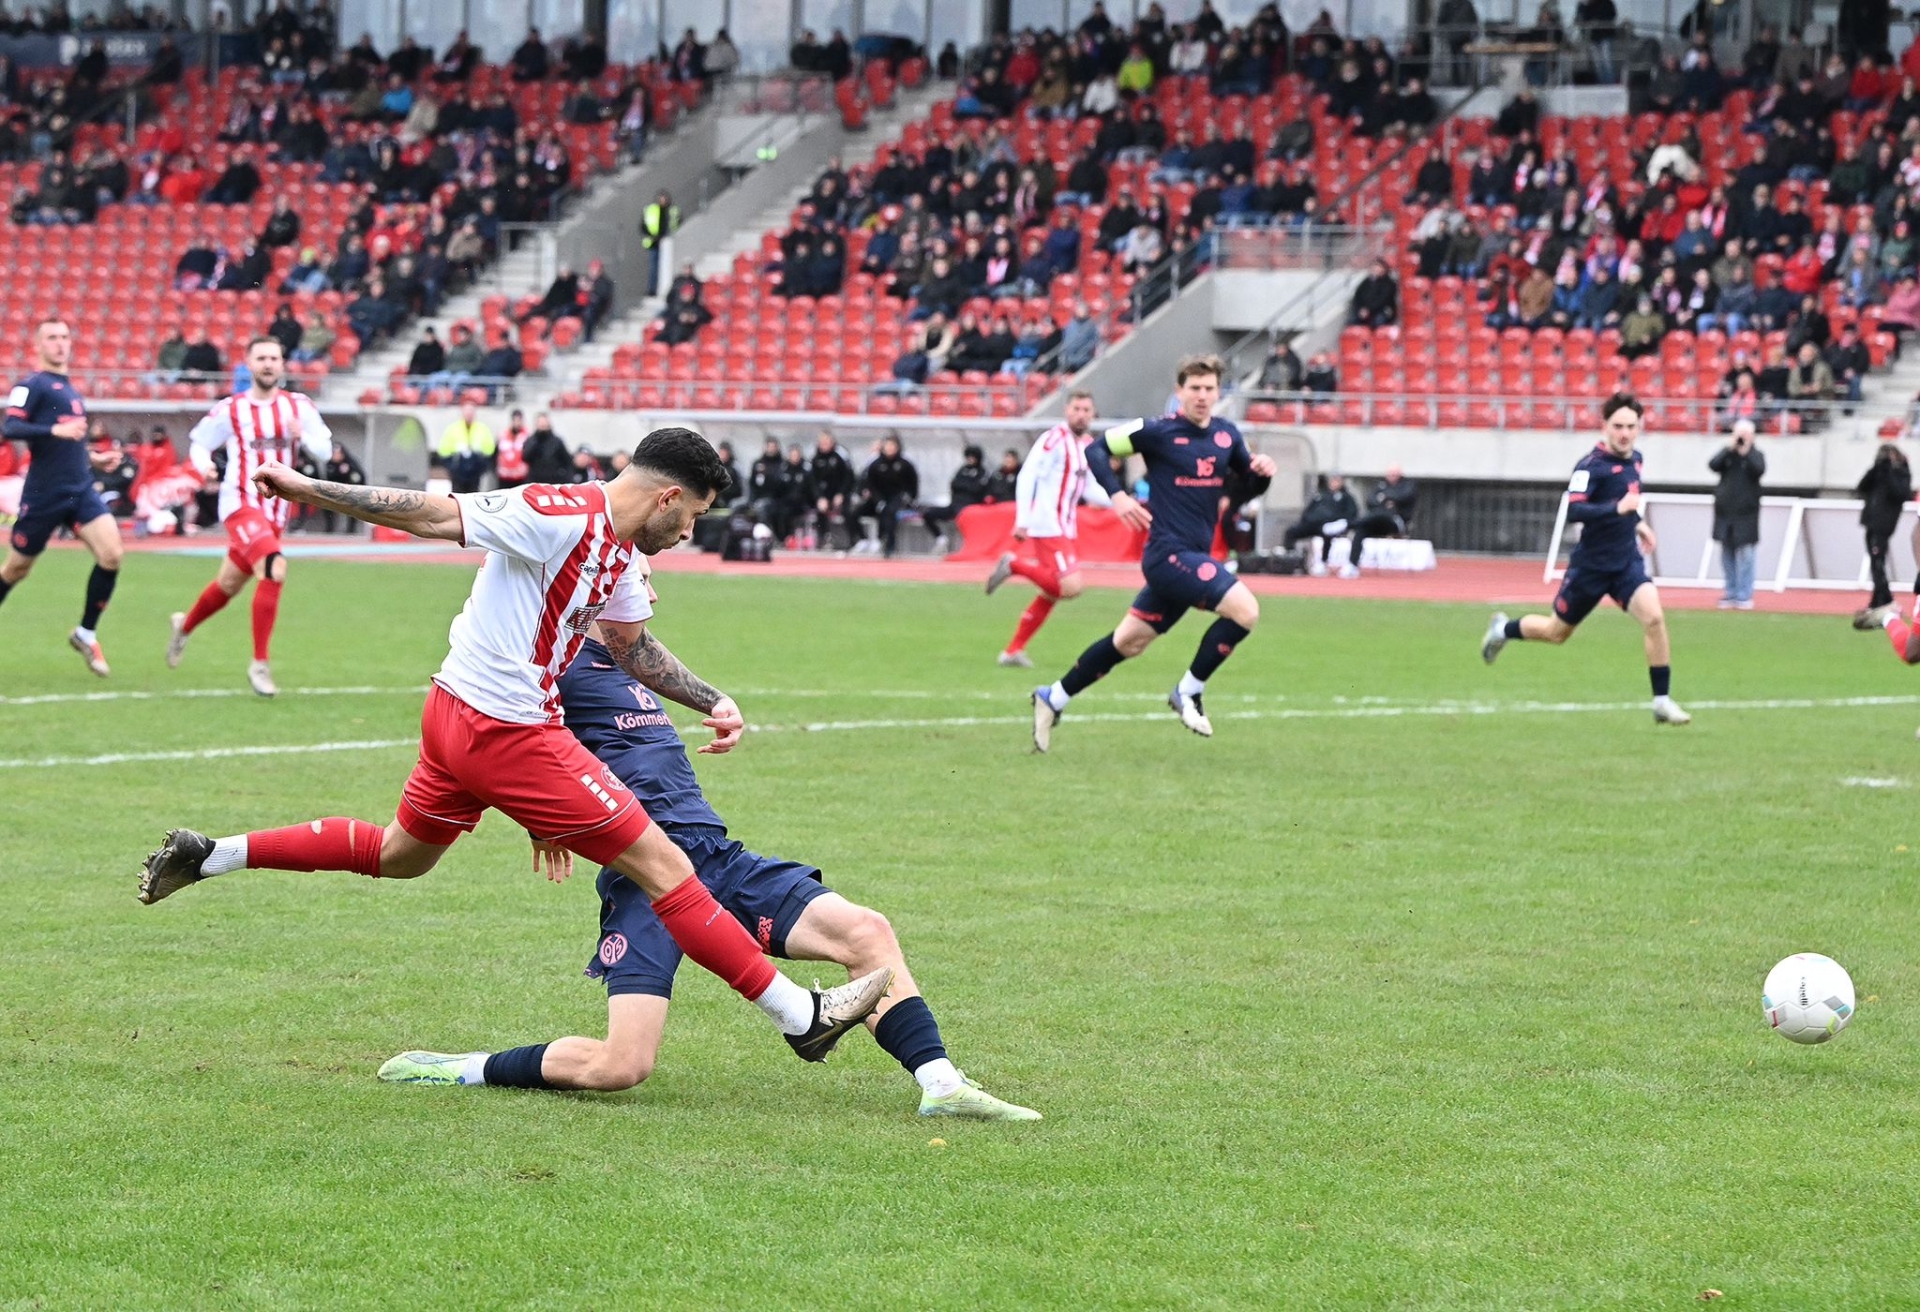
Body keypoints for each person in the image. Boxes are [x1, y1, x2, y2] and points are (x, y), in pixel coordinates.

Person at [136, 429, 895, 1066]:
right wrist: (309, 489)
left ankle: (213, 855)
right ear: (668, 497)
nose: (691, 532)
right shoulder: (557, 512)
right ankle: (799, 1015)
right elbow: (434, 515)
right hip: (506, 729)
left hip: (455, 716)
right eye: (693, 516)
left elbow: (631, 646)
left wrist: (712, 699)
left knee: (401, 854)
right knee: (668, 865)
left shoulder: (624, 555)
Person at [378, 607, 1039, 1121]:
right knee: (622, 1066)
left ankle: (942, 1085)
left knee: (867, 932)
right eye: (637, 583)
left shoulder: (629, 662)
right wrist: (537, 822)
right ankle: (459, 1067)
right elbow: (500, 745)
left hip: (718, 858)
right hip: (644, 878)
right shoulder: (551, 661)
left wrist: (717, 704)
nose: (649, 593)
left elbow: (652, 668)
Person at [1031, 355, 1277, 750]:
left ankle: (1053, 697)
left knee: (1128, 642)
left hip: (1192, 557)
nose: (1201, 396)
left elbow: (1244, 489)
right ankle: (1189, 691)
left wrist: (1261, 474)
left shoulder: (1227, 435)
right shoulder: (1156, 431)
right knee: (1246, 611)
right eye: (1194, 388)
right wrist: (1117, 496)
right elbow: (1096, 451)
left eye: (1209, 388)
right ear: (1179, 391)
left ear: (1218, 392)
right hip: (1167, 555)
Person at [1481, 393, 1690, 725]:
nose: (1624, 433)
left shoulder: (1637, 459)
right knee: (1555, 632)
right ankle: (1502, 629)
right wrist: (1617, 509)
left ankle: (1661, 702)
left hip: (1626, 563)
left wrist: (1638, 524)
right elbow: (1575, 510)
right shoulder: (1590, 466)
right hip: (1590, 567)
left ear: (1639, 428)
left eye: (1631, 427)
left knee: (1654, 619)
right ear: (1604, 426)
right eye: (1618, 426)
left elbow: (1624, 502)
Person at [166, 338, 333, 698]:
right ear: (248, 364)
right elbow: (199, 442)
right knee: (274, 567)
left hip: (276, 511)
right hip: (240, 503)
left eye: (274, 357)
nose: (268, 364)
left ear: (283, 364)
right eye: (261, 358)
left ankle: (184, 626)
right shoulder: (232, 408)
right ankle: (259, 663)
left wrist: (302, 436)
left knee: (228, 584)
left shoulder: (298, 406)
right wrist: (203, 465)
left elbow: (325, 449)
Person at [0, 319, 121, 677]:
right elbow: (10, 426)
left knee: (112, 555)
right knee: (16, 569)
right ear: (38, 345)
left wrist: (93, 459)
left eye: (65, 337)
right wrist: (55, 429)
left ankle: (86, 633)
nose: (60, 343)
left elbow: (69, 442)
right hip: (44, 493)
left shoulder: (71, 390)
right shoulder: (32, 385)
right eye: (52, 337)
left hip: (80, 488)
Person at [985, 391, 1108, 667]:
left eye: (1086, 410)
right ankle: (1014, 565)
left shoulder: (1087, 445)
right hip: (1048, 523)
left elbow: (1089, 488)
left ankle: (1013, 651)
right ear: (1066, 410)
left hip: (1065, 525)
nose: (1081, 414)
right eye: (1076, 408)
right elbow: (1028, 475)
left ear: (1093, 414)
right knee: (1071, 587)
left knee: (1053, 591)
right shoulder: (1054, 439)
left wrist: (1122, 502)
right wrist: (1023, 519)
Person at [1854, 437, 1911, 629]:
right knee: (1875, 562)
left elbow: (1900, 494)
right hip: (1871, 522)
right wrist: (1877, 468)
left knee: (1878, 562)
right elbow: (1861, 487)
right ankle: (1877, 601)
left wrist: (1889, 472)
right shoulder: (1877, 472)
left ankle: (1886, 600)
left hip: (1884, 524)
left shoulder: (1901, 473)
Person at [1707, 421, 1765, 610]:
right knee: (1727, 554)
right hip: (1725, 514)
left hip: (1746, 515)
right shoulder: (1728, 455)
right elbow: (1713, 465)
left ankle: (1744, 594)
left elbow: (1759, 469)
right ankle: (1730, 592)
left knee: (1746, 555)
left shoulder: (1756, 455)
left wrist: (1746, 452)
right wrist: (1729, 448)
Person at [1346, 466, 1420, 576]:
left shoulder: (1407, 485)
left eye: (1395, 474)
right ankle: (1352, 565)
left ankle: (1347, 524)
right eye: (1390, 474)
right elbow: (1370, 501)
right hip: (1376, 524)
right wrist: (1387, 501)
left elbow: (1404, 497)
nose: (1392, 476)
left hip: (1395, 523)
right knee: (1361, 530)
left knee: (1381, 514)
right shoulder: (1380, 484)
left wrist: (1384, 497)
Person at [1281, 474, 1360, 575]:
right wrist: (1306, 520)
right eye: (1332, 480)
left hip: (1330, 525)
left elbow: (1351, 514)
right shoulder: (1320, 495)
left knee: (1327, 534)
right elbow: (1308, 511)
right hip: (1313, 524)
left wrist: (1338, 522)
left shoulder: (1346, 497)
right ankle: (1291, 559)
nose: (1334, 483)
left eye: (1337, 481)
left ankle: (1323, 562)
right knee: (1291, 532)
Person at [855, 436, 918, 557]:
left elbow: (912, 483)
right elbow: (871, 484)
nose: (889, 448)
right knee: (855, 512)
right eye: (887, 446)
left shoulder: (904, 464)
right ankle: (862, 540)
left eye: (892, 446)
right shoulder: (876, 464)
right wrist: (877, 499)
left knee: (889, 513)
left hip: (897, 498)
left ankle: (888, 544)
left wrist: (910, 497)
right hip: (879, 497)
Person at [920, 443, 991, 549]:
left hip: (970, 507)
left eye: (973, 457)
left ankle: (970, 545)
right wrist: (966, 486)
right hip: (954, 505)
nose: (970, 459)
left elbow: (976, 489)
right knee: (928, 514)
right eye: (968, 457)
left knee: (963, 518)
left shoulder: (982, 472)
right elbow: (954, 484)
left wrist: (964, 486)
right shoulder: (962, 470)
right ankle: (941, 539)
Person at [437, 402, 495, 493]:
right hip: (458, 468)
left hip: (475, 470)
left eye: (471, 412)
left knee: (474, 494)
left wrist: (479, 455)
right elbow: (443, 450)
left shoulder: (482, 429)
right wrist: (452, 464)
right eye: (467, 412)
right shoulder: (453, 429)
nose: (469, 415)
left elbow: (490, 449)